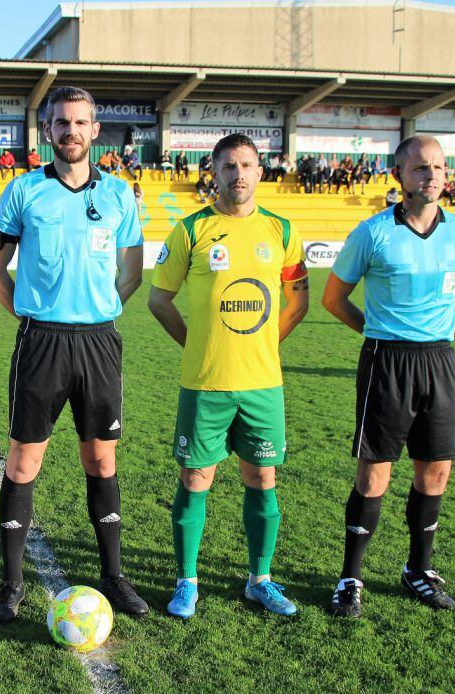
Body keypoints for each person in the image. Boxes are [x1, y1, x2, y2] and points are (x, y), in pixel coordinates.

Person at [0, 86, 148, 623]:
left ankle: (114, 577)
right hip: (41, 342)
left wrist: (98, 310)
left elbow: (133, 272)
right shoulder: (23, 192)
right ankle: (10, 584)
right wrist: (30, 316)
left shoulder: (121, 196)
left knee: (102, 459)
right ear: (47, 131)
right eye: (60, 122)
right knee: (24, 460)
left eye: (80, 122)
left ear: (95, 131)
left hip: (99, 341)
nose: (70, 131)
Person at [149, 133, 309, 619]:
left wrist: (262, 345)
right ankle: (187, 581)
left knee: (262, 477)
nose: (238, 174)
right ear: (213, 174)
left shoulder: (282, 230)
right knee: (196, 477)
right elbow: (159, 299)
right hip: (205, 382)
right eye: (227, 167)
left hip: (262, 384)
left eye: (246, 165)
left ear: (260, 172)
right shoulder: (191, 230)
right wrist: (195, 342)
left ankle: (259, 580)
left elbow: (297, 301)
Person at [321, 135, 455, 619]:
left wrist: (436, 329)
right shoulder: (373, 233)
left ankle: (419, 569)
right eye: (419, 168)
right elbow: (334, 298)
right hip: (386, 361)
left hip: (440, 361)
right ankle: (350, 577)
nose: (430, 176)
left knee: (436, 469)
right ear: (399, 176)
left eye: (437, 168)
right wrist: (380, 332)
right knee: (374, 474)